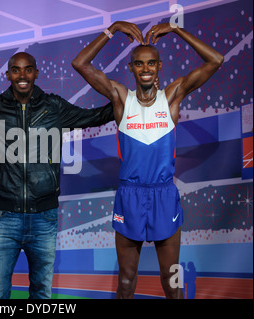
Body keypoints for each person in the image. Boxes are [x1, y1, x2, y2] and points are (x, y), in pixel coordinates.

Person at [0, 51, 114, 299]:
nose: (22, 75)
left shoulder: (54, 106)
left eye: (28, 69)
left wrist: (128, 101)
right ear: (8, 75)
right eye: (16, 70)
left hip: (44, 218)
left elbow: (96, 117)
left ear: (36, 73)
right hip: (6, 218)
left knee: (41, 293)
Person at [72, 21, 223, 298]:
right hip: (130, 195)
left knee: (171, 279)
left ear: (159, 67)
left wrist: (178, 30)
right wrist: (112, 29)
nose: (145, 69)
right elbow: (80, 63)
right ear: (130, 68)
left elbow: (216, 60)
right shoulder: (120, 98)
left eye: (151, 63)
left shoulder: (172, 97)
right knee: (127, 281)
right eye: (139, 64)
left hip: (164, 195)